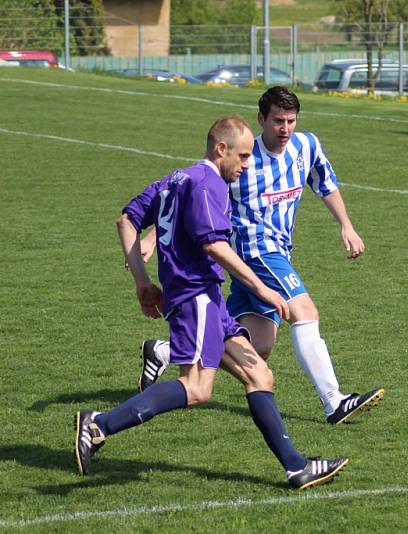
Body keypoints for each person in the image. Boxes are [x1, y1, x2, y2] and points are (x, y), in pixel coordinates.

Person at [74, 116, 348, 491]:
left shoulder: (175, 179)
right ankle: (98, 424)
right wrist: (264, 290)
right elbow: (214, 245)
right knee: (197, 388)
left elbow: (126, 221)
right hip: (196, 297)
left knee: (259, 374)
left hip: (206, 300)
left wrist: (142, 283)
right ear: (222, 149)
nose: (247, 164)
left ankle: (296, 467)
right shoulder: (210, 184)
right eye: (244, 156)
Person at [138, 87, 384, 426]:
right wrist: (152, 237)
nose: (285, 129)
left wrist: (347, 225)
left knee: (258, 346)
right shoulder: (243, 160)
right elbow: (195, 198)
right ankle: (334, 401)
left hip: (279, 249)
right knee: (304, 311)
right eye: (277, 121)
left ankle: (165, 350)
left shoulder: (307, 146)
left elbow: (325, 183)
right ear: (261, 120)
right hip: (253, 251)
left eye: (291, 121)